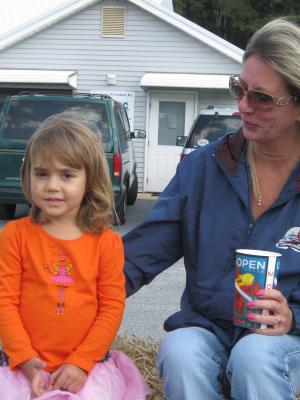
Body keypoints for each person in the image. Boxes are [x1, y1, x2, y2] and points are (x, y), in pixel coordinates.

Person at [123, 17, 300, 400]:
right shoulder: (205, 167)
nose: (242, 106)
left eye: (262, 98)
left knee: (254, 356)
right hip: (208, 327)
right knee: (181, 350)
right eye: (239, 88)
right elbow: (139, 255)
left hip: (287, 341)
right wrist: (63, 299)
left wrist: (293, 318)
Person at [0, 114, 150, 400]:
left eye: (67, 175)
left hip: (85, 370)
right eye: (42, 173)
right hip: (22, 367)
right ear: (27, 174)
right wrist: (24, 358)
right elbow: (4, 301)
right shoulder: (14, 236)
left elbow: (111, 308)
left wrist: (81, 362)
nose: (52, 185)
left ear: (89, 179)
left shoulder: (106, 243)